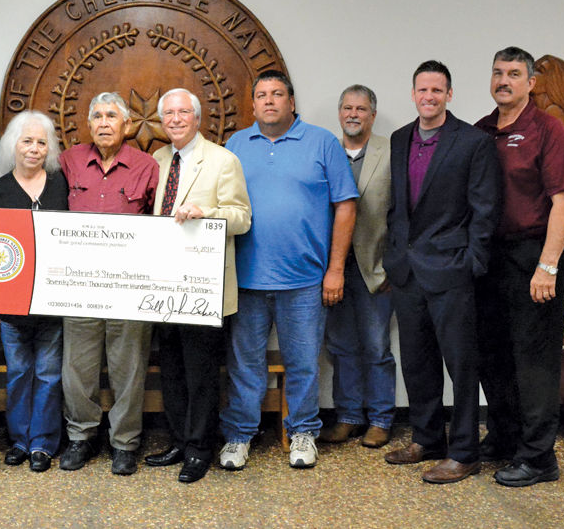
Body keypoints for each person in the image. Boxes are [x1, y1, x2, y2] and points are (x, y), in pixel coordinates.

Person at [219, 70, 358, 470]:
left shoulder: (323, 143)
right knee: (245, 364)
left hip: (305, 280)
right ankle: (239, 436)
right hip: (245, 279)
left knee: (302, 362)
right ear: (253, 105)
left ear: (291, 102)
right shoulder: (236, 145)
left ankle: (302, 433)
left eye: (277, 94)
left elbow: (345, 205)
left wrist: (335, 270)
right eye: (261, 95)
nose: (269, 101)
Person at [383, 60, 502, 484]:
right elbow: (398, 205)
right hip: (408, 271)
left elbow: (484, 211)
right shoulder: (400, 140)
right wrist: (393, 254)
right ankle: (427, 438)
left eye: (437, 90)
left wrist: (472, 264)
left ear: (449, 94)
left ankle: (466, 451)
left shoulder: (472, 142)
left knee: (461, 365)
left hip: (452, 270)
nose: (428, 97)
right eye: (422, 90)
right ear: (413, 94)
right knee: (416, 362)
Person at [474, 47, 564, 487]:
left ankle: (538, 458)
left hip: (533, 256)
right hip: (489, 258)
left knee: (532, 360)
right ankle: (504, 436)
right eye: (498, 73)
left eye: (514, 74)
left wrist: (548, 266)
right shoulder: (481, 131)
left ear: (531, 82)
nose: (504, 81)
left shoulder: (547, 129)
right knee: (492, 353)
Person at [144, 88, 250, 483]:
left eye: (182, 112)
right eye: (168, 113)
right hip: (163, 285)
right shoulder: (156, 160)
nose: (174, 119)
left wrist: (206, 213)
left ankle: (200, 448)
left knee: (201, 371)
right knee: (170, 368)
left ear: (197, 117)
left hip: (204, 288)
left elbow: (242, 218)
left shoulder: (223, 161)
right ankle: (178, 440)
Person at [56, 92, 159, 475]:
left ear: (127, 124)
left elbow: (162, 221)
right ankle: (81, 437)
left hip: (128, 287)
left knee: (127, 367)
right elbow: (33, 190)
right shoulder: (68, 161)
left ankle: (125, 442)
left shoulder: (147, 166)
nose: (103, 123)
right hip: (77, 285)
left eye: (111, 116)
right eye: (96, 115)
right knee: (77, 367)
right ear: (88, 123)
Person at [0, 111, 69, 473]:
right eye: (26, 141)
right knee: (18, 373)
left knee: (49, 375)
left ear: (49, 149)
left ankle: (43, 444)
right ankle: (19, 440)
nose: (33, 149)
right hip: (11, 304)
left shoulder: (62, 186)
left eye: (41, 142)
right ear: (13, 145)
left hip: (53, 300)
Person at [320, 85, 396, 449]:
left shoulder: (391, 151)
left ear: (373, 115)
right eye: (347, 107)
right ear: (339, 113)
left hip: (375, 269)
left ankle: (381, 419)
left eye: (361, 109)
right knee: (340, 346)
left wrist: (394, 267)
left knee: (376, 347)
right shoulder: (325, 150)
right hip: (331, 268)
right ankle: (348, 416)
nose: (353, 114)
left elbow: (403, 214)